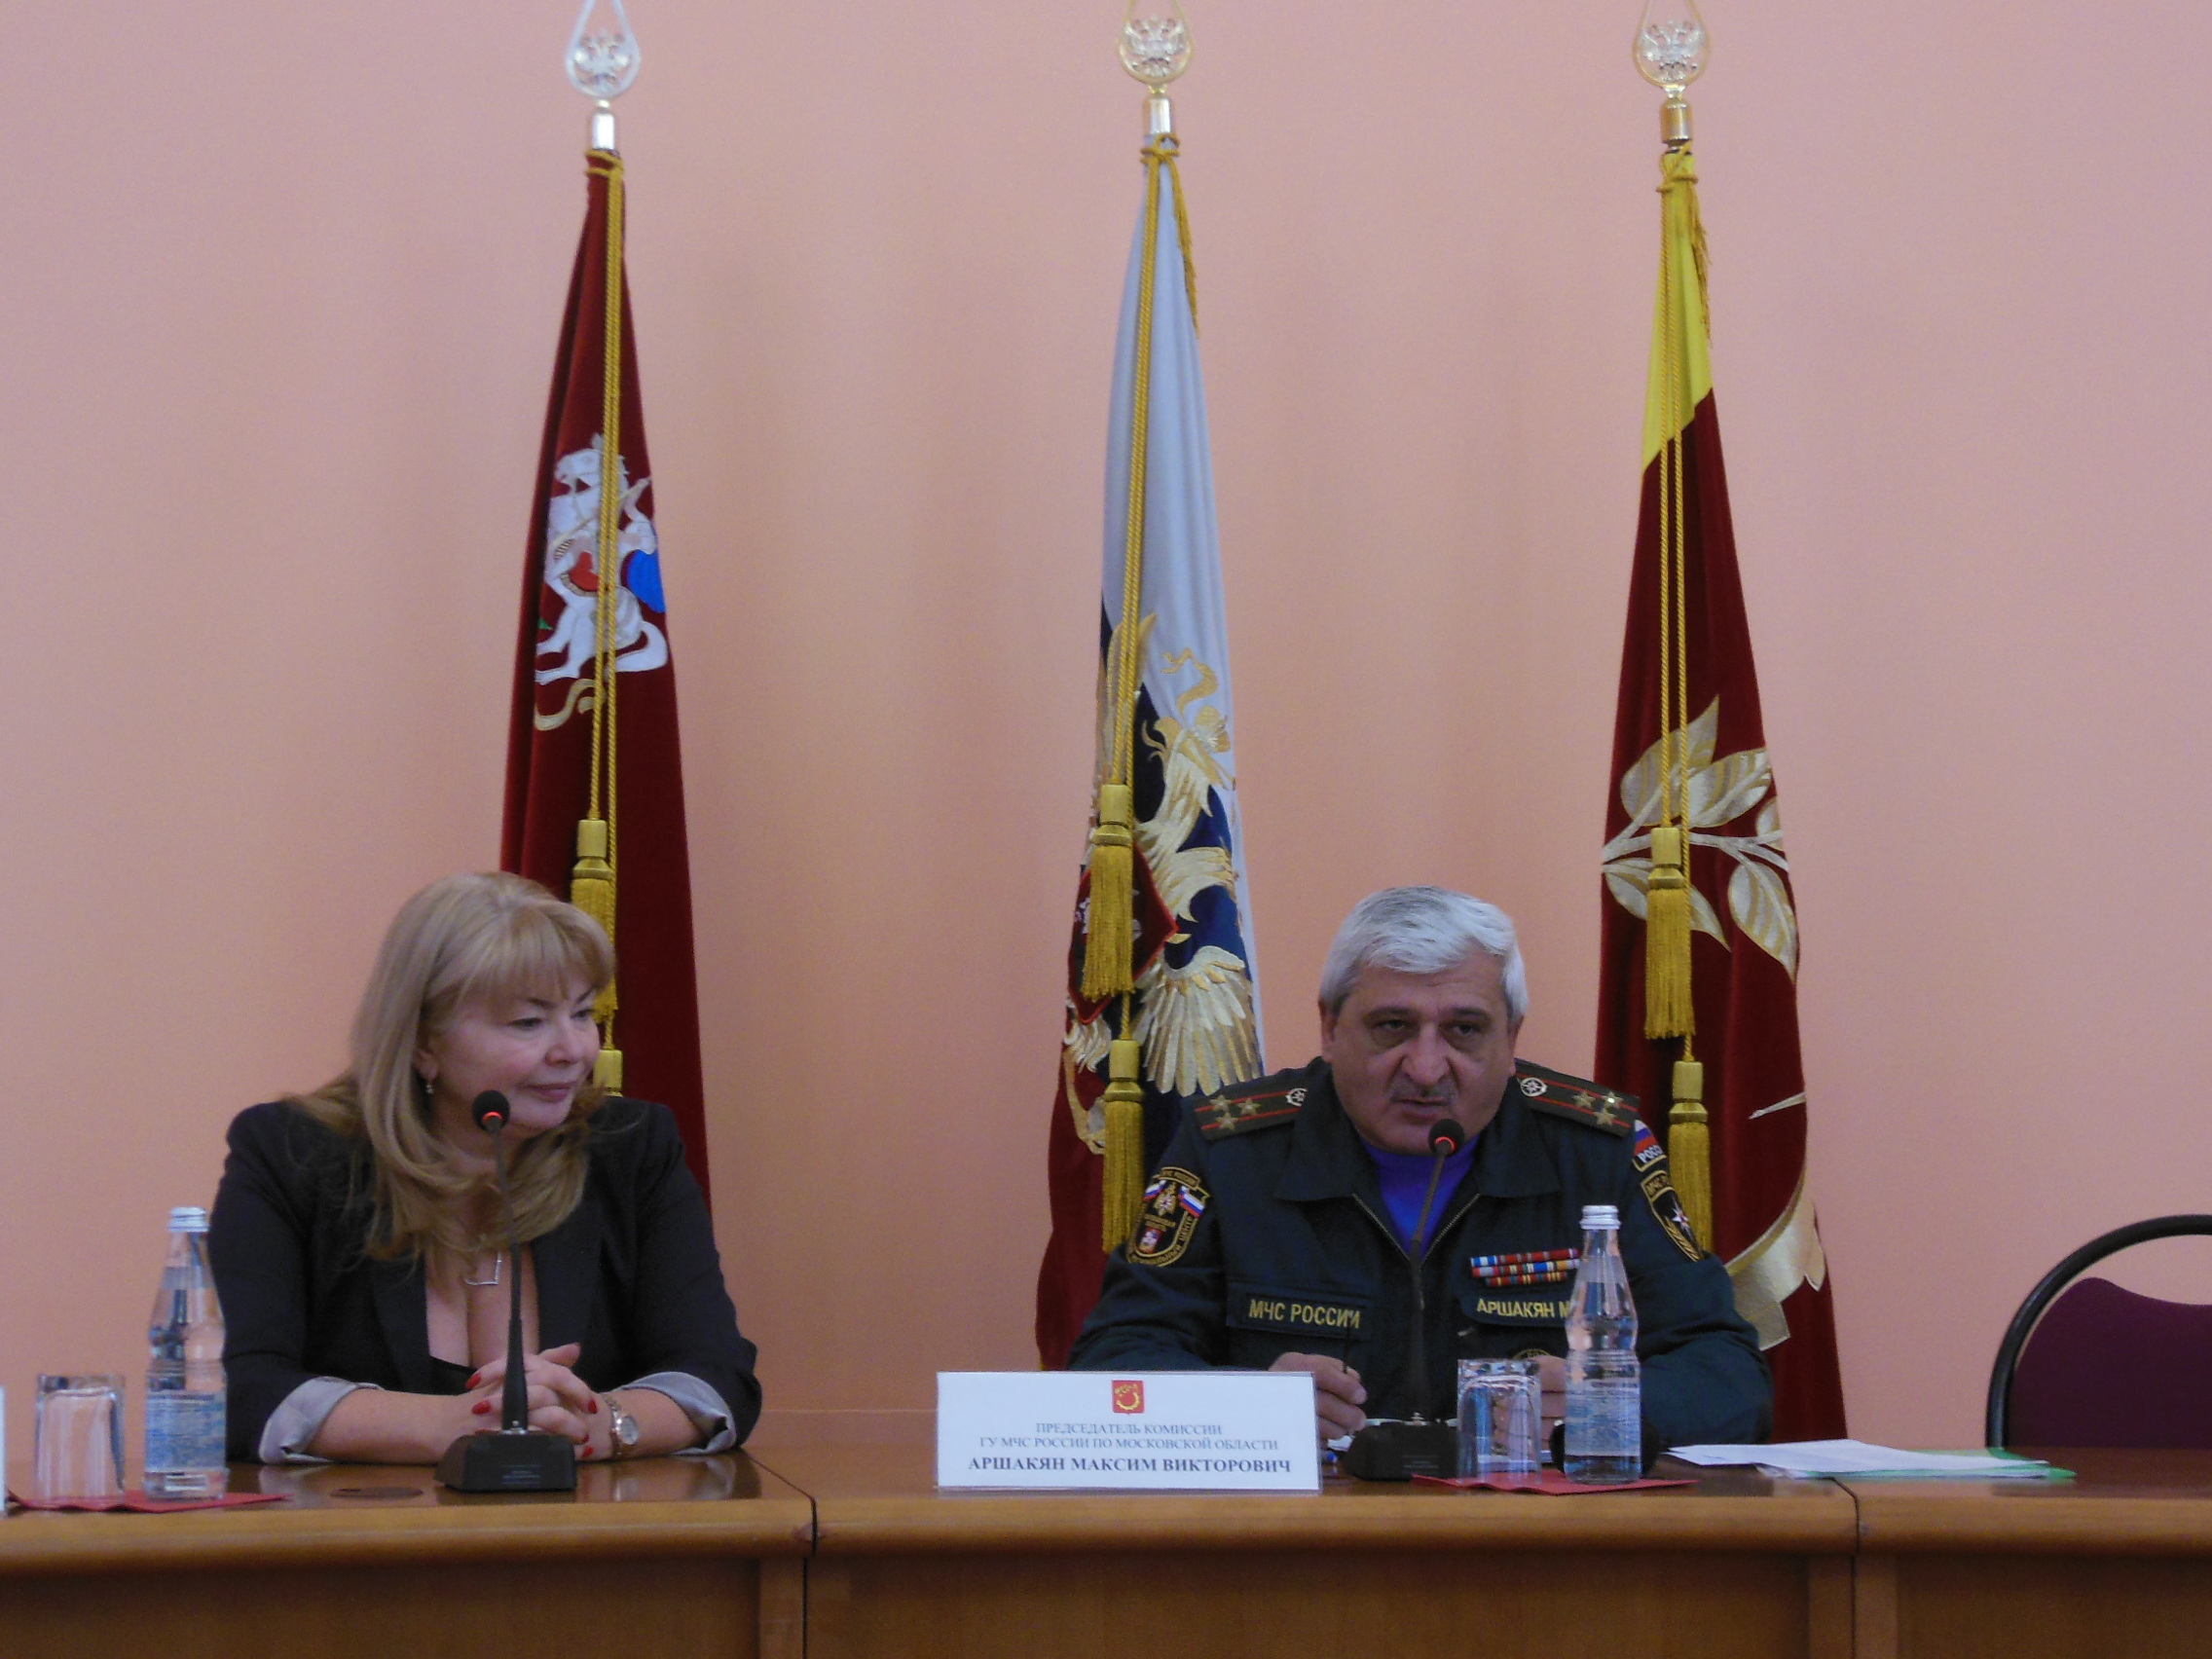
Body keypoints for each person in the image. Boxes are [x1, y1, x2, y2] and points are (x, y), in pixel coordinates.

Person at [1069, 885, 1770, 1458]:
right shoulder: (1232, 1152)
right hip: (1305, 1547)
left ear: (1512, 1038)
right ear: (1329, 1027)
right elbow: (1115, 1357)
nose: (1428, 1069)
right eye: (1392, 1027)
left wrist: (1609, 1407)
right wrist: (1245, 1407)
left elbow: (1728, 1370)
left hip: (1538, 1547)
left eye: (1464, 1029)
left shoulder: (1597, 1152)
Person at [209, 871, 759, 1464]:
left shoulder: (630, 1151)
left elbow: (716, 1375)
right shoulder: (292, 1156)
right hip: (364, 1519)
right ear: (424, 1042)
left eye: (582, 1013)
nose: (574, 1050)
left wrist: (602, 1424)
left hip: (590, 1518)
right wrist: (445, 1424)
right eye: (529, 1022)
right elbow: (236, 1388)